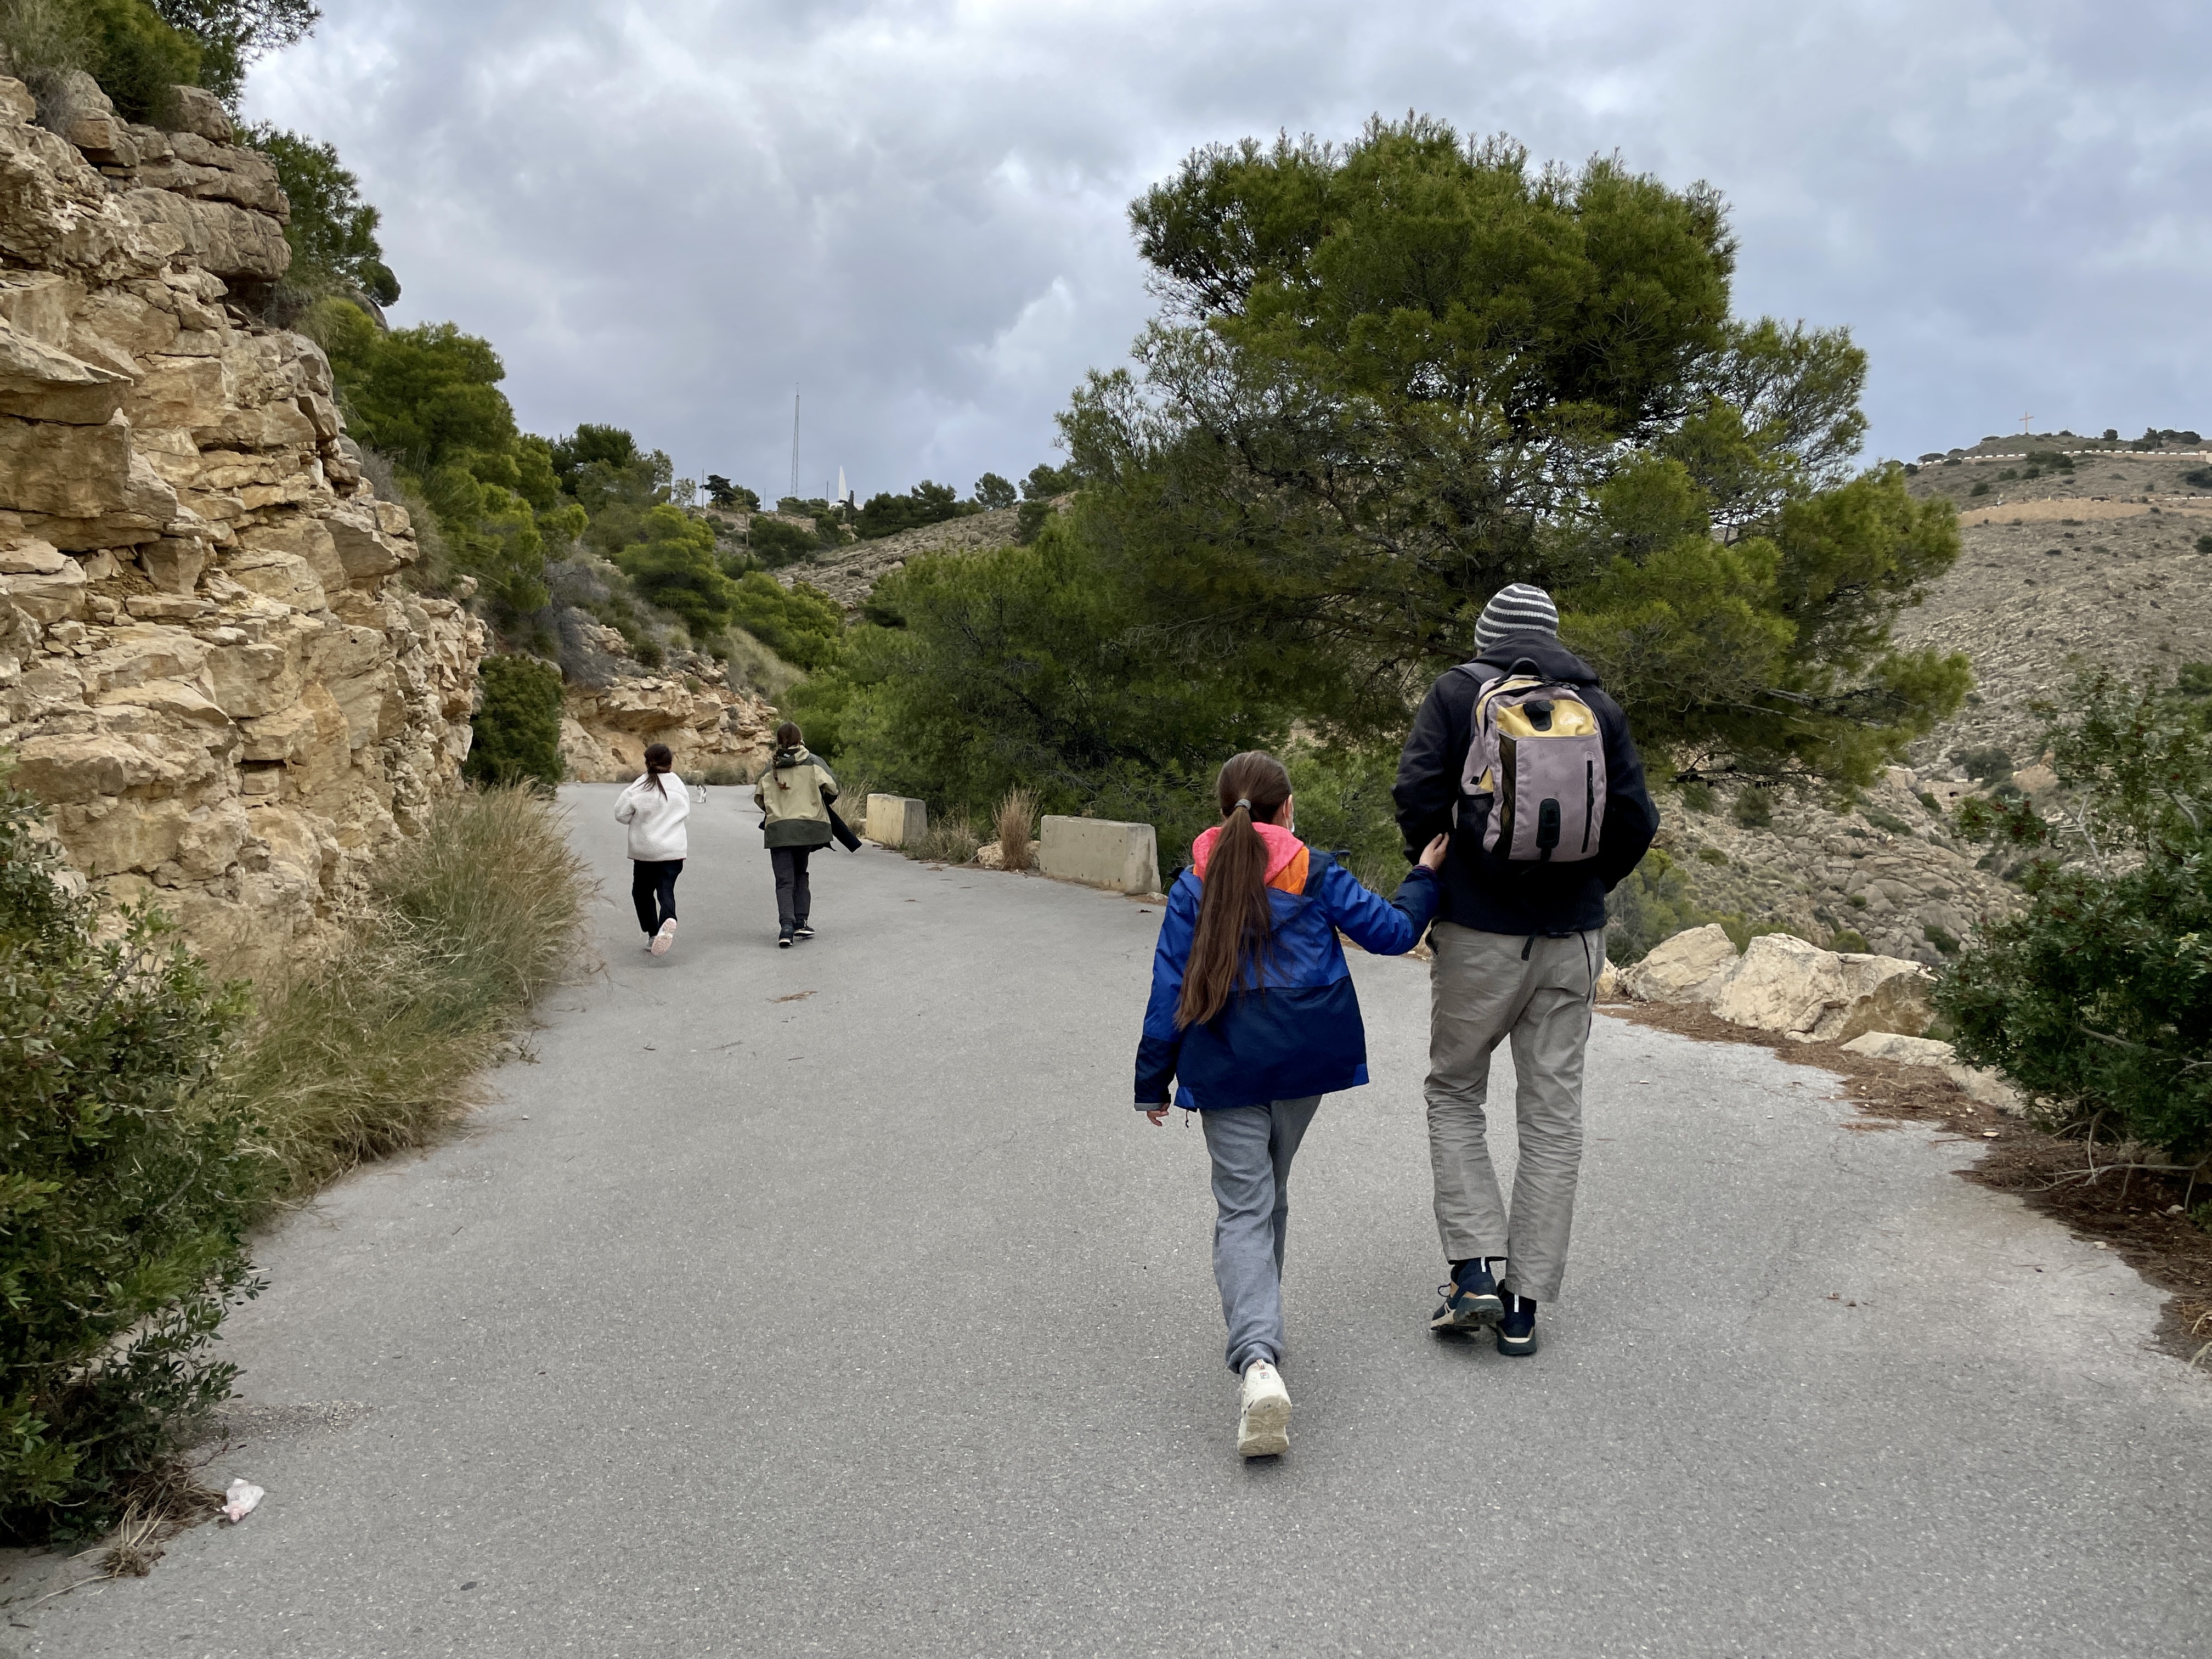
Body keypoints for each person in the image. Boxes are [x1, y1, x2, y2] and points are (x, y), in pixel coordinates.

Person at [1136, 751, 1448, 1458]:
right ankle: (1262, 1335)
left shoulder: (1194, 882)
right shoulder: (1313, 870)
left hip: (1226, 1062)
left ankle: (1257, 1359)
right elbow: (1393, 933)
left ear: (1224, 811)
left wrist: (1154, 1079)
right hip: (1305, 1059)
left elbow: (1169, 986)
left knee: (1244, 1206)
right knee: (1268, 1194)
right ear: (1286, 809)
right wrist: (1426, 875)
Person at [1392, 583, 1658, 1357]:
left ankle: (1473, 1271)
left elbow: (1415, 794)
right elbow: (1637, 820)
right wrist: (1587, 887)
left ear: (1487, 637)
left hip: (1478, 933)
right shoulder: (1598, 708)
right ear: (1553, 636)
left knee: (1455, 1091)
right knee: (1551, 1118)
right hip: (1572, 939)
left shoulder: (1457, 693)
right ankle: (1523, 1308)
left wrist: (1449, 874)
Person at [753, 721, 838, 948]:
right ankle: (801, 921)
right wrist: (816, 803)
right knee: (801, 874)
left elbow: (759, 798)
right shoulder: (814, 762)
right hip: (805, 829)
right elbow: (833, 789)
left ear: (778, 741)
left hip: (779, 831)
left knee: (784, 881)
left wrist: (775, 811)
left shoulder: (771, 767)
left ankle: (786, 928)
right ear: (800, 739)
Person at [615, 742, 690, 957]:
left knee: (642, 893)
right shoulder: (678, 786)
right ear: (671, 763)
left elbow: (620, 813)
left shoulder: (640, 786)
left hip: (646, 852)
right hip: (673, 851)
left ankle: (652, 933)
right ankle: (669, 917)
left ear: (647, 762)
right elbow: (685, 811)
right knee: (666, 889)